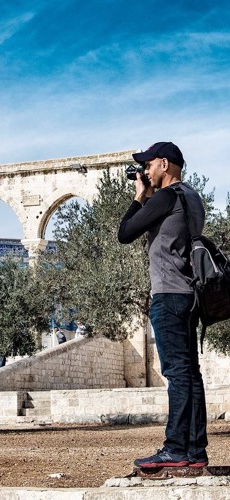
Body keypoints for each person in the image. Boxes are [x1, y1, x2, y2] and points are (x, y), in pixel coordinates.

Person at [117, 141, 208, 469]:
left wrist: (139, 196)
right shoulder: (191, 197)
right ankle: (195, 451)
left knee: (178, 374)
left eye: (149, 165)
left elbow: (125, 233)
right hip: (188, 297)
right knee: (190, 374)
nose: (145, 171)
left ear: (165, 164)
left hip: (169, 297)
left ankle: (175, 449)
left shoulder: (168, 197)